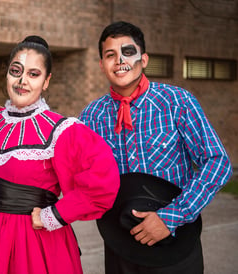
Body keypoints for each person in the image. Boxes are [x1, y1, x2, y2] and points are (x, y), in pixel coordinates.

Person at [79, 21, 233, 273]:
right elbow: (73, 169)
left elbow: (217, 162)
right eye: (110, 55)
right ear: (101, 65)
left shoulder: (177, 102)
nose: (120, 60)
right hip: (119, 242)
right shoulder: (91, 116)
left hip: (174, 240)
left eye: (128, 52)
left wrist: (171, 216)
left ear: (145, 59)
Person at [0, 35, 120, 274]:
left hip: (37, 240)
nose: (22, 80)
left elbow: (104, 181)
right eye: (16, 71)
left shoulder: (62, 130)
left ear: (46, 81)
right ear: (6, 74)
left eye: (33, 74)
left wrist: (57, 214)